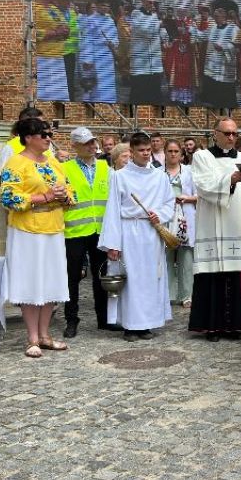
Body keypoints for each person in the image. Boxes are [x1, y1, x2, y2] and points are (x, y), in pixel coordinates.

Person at [0, 118, 75, 358]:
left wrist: (64, 197)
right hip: (27, 230)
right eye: (43, 135)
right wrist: (44, 197)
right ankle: (31, 337)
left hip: (53, 227)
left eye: (49, 134)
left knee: (51, 281)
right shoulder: (15, 162)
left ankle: (45, 335)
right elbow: (8, 197)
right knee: (30, 281)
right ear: (28, 137)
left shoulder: (54, 163)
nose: (48, 139)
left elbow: (71, 192)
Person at [188, 117, 241, 341]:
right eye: (227, 133)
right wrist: (230, 181)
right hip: (211, 227)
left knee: (234, 278)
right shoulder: (202, 157)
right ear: (215, 134)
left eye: (234, 133)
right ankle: (212, 327)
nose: (231, 137)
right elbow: (204, 187)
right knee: (212, 278)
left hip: (236, 227)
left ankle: (234, 326)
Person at [99, 132, 175, 341]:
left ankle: (147, 323)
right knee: (131, 280)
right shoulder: (119, 176)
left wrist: (159, 214)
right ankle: (130, 325)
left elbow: (169, 202)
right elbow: (113, 210)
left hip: (151, 232)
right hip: (128, 232)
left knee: (151, 278)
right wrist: (112, 244)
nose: (145, 154)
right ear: (131, 152)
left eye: (148, 150)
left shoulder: (160, 176)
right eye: (141, 150)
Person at [59, 127, 110, 339]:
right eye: (87, 142)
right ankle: (71, 319)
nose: (92, 145)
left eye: (93, 142)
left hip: (100, 230)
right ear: (75, 146)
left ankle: (104, 318)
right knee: (72, 278)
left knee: (101, 276)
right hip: (75, 231)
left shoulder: (106, 167)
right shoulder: (64, 169)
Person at [163, 139, 197, 307]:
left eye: (176, 151)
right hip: (166, 218)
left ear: (181, 154)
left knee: (186, 258)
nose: (173, 154)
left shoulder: (189, 172)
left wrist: (187, 198)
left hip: (185, 216)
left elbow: (200, 195)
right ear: (165, 153)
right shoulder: (158, 172)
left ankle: (187, 295)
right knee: (166, 257)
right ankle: (167, 294)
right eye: (170, 151)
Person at [192, 7, 239, 110]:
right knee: (212, 87)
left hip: (225, 66)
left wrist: (223, 47)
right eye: (214, 16)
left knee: (224, 92)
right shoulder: (212, 27)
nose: (215, 18)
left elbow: (236, 45)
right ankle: (212, 104)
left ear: (224, 17)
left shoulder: (233, 28)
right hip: (212, 66)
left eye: (217, 16)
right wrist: (194, 29)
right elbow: (202, 36)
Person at [128, 0, 169, 104]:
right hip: (141, 59)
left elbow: (159, 32)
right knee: (140, 91)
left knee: (154, 90)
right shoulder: (136, 14)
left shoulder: (155, 15)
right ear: (142, 1)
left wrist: (165, 38)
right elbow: (146, 31)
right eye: (149, 2)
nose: (152, 4)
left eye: (153, 2)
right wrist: (159, 23)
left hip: (154, 59)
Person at [0, 107, 61, 175]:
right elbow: (3, 176)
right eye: (38, 123)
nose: (42, 126)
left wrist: (58, 159)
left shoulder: (47, 144)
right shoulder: (10, 147)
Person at [33, 0, 72, 101]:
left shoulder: (53, 9)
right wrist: (54, 33)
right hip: (43, 58)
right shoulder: (34, 8)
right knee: (45, 94)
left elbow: (64, 25)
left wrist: (65, 30)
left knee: (60, 95)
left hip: (58, 57)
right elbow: (32, 32)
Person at [81, 2, 119, 104]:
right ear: (98, 6)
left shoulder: (110, 20)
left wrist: (114, 43)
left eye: (107, 6)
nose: (105, 7)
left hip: (108, 54)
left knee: (108, 82)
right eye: (103, 5)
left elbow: (115, 36)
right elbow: (86, 40)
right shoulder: (90, 20)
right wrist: (88, 59)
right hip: (95, 53)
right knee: (95, 83)